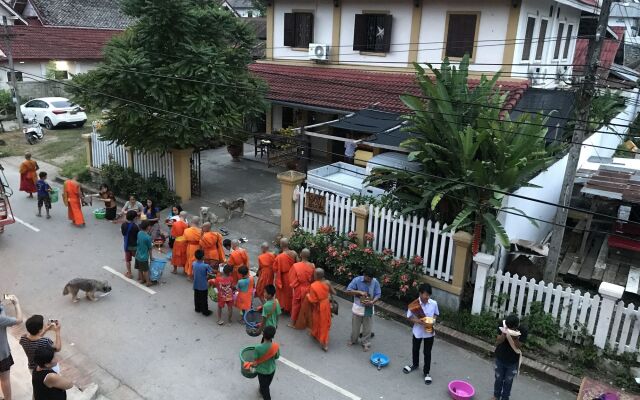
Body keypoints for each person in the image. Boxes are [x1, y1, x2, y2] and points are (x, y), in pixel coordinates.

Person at [403, 283, 439, 385]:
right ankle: (414, 364)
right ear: (420, 293)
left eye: (429, 295)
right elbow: (409, 317)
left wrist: (433, 321)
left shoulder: (434, 303)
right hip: (418, 331)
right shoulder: (414, 304)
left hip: (429, 332)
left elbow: (436, 314)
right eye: (425, 295)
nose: (427, 297)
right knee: (415, 349)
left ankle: (426, 372)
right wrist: (419, 322)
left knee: (427, 353)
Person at [295, 268, 335, 352]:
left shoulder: (313, 285)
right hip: (326, 304)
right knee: (319, 321)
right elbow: (334, 292)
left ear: (316, 275)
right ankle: (315, 333)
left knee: (321, 323)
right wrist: (327, 295)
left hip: (319, 305)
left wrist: (308, 295)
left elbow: (313, 300)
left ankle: (325, 343)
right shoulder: (327, 282)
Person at [346, 269, 381, 352]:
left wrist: (373, 301)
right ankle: (353, 340)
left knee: (367, 328)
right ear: (364, 275)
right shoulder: (357, 280)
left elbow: (378, 294)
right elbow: (348, 291)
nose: (370, 280)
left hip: (369, 307)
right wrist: (359, 292)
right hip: (358, 307)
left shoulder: (375, 282)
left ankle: (365, 343)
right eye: (368, 278)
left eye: (371, 279)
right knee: (355, 327)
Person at [492, 314, 526, 400]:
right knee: (498, 378)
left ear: (516, 326)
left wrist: (515, 338)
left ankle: (505, 398)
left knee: (508, 381)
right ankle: (496, 396)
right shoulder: (502, 324)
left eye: (511, 328)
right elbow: (498, 341)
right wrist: (504, 333)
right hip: (500, 357)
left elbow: (519, 346)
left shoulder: (523, 330)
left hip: (512, 361)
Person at [0, 295, 23, 400]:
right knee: (4, 379)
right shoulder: (1, 319)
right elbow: (19, 320)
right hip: (1, 355)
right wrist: (16, 303)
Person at [249, 326, 280, 400]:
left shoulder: (258, 348)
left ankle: (264, 393)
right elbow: (276, 357)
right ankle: (262, 389)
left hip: (262, 372)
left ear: (263, 334)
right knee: (267, 384)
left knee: (265, 389)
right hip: (272, 369)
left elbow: (255, 361)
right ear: (273, 336)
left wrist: (250, 366)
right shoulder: (276, 346)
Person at [288, 248, 314, 327]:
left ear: (300, 255)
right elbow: (313, 278)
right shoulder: (312, 266)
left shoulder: (296, 266)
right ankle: (305, 323)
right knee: (306, 305)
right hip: (308, 288)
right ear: (309, 256)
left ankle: (292, 323)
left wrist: (294, 286)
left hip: (299, 288)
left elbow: (292, 279)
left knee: (296, 305)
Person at [274, 238, 296, 314]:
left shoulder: (279, 257)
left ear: (281, 245)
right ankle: (289, 308)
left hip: (283, 277)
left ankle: (283, 307)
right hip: (292, 275)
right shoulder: (294, 253)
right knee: (289, 293)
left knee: (282, 293)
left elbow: (275, 268)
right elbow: (297, 263)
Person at [192, 249, 213, 316]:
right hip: (203, 285)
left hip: (196, 284)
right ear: (203, 257)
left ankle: (197, 308)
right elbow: (211, 272)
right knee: (204, 298)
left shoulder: (194, 263)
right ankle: (205, 311)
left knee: (197, 297)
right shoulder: (205, 266)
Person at [120, 210, 140, 279]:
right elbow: (138, 236)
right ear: (134, 218)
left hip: (127, 245)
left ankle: (129, 273)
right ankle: (140, 274)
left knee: (128, 260)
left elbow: (123, 234)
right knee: (137, 258)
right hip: (134, 245)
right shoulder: (135, 227)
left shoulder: (123, 224)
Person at [135, 220, 154, 286]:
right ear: (148, 227)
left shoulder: (139, 233)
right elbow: (150, 248)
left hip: (138, 255)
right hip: (144, 256)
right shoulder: (148, 237)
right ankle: (148, 282)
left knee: (140, 268)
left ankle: (142, 279)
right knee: (146, 270)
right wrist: (151, 257)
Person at [183, 217, 202, 281]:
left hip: (189, 246)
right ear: (199, 222)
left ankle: (188, 272)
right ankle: (191, 274)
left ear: (191, 222)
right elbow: (202, 240)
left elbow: (185, 239)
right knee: (195, 260)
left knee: (189, 259)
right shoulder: (200, 231)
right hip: (198, 246)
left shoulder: (187, 230)